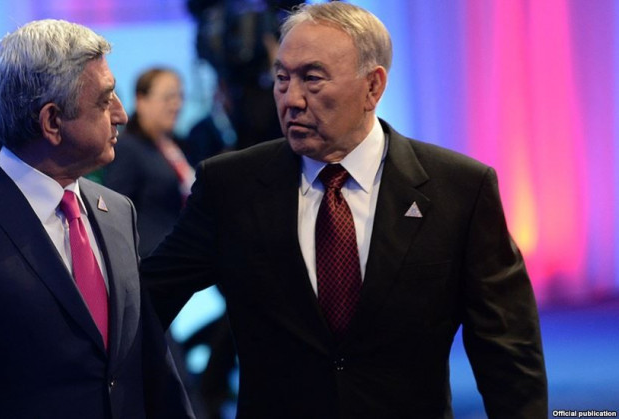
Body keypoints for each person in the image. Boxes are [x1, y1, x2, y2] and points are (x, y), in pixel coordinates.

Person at [142, 3, 547, 418]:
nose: (291, 99)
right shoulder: (230, 187)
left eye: (312, 78)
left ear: (373, 87)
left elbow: (508, 351)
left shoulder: (459, 189)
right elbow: (143, 305)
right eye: (281, 78)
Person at [0, 20, 194, 418]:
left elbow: (150, 362)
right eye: (105, 100)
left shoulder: (117, 211)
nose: (122, 115)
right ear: (52, 121)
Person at [103, 68, 194, 257]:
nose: (176, 104)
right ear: (141, 100)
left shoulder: (175, 145)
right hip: (150, 260)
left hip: (180, 256)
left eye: (180, 96)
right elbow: (114, 211)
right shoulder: (128, 148)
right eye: (168, 97)